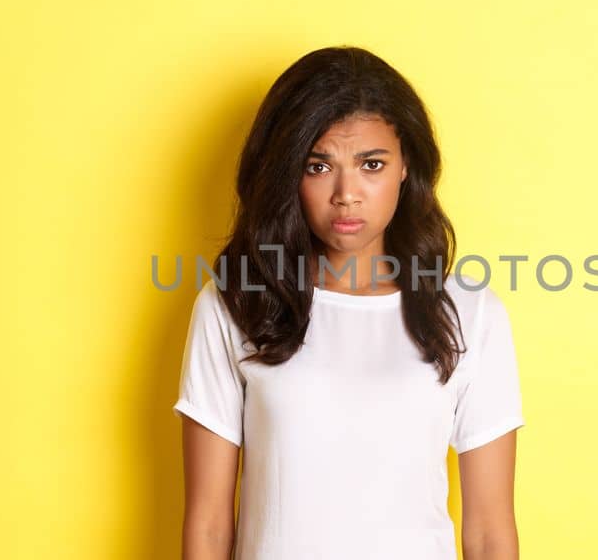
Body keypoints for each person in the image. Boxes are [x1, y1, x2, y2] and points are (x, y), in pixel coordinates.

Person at [172, 46, 524, 560]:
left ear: (406, 166)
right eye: (318, 166)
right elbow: (207, 526)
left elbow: (490, 532)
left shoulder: (470, 312)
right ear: (288, 172)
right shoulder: (237, 303)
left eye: (372, 164)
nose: (346, 194)